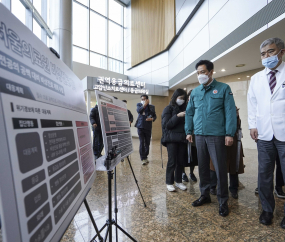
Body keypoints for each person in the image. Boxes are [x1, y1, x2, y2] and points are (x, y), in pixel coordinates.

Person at [185, 60, 237, 217]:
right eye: (198, 72)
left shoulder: (223, 88)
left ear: (211, 72)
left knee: (220, 168)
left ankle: (222, 200)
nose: (200, 75)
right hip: (199, 135)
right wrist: (188, 131)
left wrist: (229, 133)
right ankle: (205, 195)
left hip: (217, 135)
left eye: (203, 72)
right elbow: (189, 113)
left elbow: (230, 112)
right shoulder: (195, 92)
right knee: (202, 167)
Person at [247, 37, 285, 227]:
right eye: (263, 54)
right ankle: (267, 210)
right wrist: (252, 125)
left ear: (282, 52)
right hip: (264, 134)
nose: (266, 57)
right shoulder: (256, 78)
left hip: (284, 134)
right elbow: (252, 104)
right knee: (264, 174)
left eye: (270, 52)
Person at [210, 106, 245, 199]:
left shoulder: (232, 107)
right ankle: (212, 186)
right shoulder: (216, 107)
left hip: (232, 141)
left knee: (233, 165)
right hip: (218, 139)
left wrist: (237, 116)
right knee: (214, 164)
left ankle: (233, 189)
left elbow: (237, 125)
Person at [161, 89, 188, 192]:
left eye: (183, 98)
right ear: (175, 97)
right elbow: (166, 125)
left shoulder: (185, 108)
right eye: (180, 98)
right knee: (172, 161)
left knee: (180, 161)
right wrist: (177, 116)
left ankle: (178, 181)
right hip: (171, 139)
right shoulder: (168, 109)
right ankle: (169, 182)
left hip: (182, 138)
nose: (181, 100)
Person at [182, 89, 198, 183]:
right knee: (184, 155)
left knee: (194, 154)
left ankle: (191, 173)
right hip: (184, 134)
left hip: (195, 134)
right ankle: (183, 173)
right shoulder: (183, 106)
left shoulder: (198, 105)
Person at [136, 95, 157, 165]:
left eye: (144, 99)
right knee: (142, 142)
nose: (143, 100)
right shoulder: (139, 105)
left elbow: (154, 116)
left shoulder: (152, 107)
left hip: (148, 127)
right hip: (140, 126)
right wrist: (144, 104)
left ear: (148, 100)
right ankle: (142, 158)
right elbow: (138, 111)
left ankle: (145, 156)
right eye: (142, 99)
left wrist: (152, 119)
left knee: (147, 143)